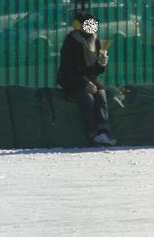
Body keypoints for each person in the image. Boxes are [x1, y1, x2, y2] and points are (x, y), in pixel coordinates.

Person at [57, 12, 116, 146]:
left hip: (90, 78)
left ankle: (103, 133)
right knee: (87, 97)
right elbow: (67, 69)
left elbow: (97, 71)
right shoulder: (71, 41)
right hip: (71, 80)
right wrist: (85, 82)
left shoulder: (95, 41)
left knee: (101, 94)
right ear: (79, 25)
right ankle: (93, 134)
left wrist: (102, 64)